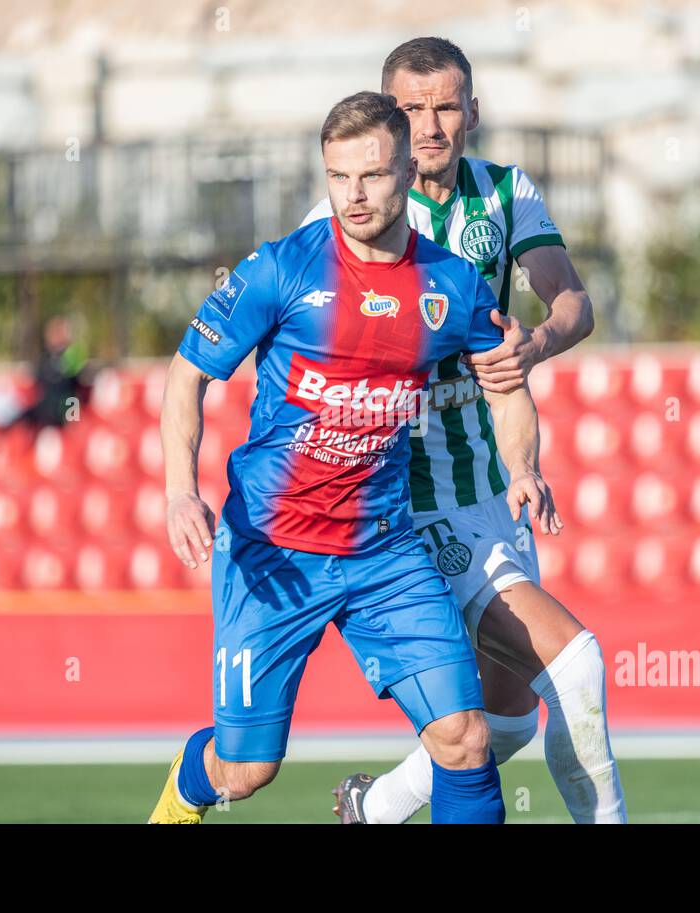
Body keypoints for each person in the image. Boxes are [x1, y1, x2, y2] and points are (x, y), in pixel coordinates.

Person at [149, 91, 559, 824]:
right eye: (338, 177)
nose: (353, 195)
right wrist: (180, 491)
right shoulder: (280, 270)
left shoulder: (451, 284)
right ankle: (179, 800)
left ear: (407, 169)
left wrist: (522, 464)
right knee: (246, 769)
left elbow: (506, 386)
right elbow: (187, 375)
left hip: (384, 552)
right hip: (273, 550)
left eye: (369, 176)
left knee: (464, 739)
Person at [304, 37, 625, 824]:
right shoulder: (346, 214)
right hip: (409, 502)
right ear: (386, 116)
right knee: (578, 667)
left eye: (446, 106)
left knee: (508, 717)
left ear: (472, 111)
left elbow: (573, 302)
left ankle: (370, 809)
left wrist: (535, 343)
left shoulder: (506, 192)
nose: (430, 126)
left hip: (492, 482)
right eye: (411, 109)